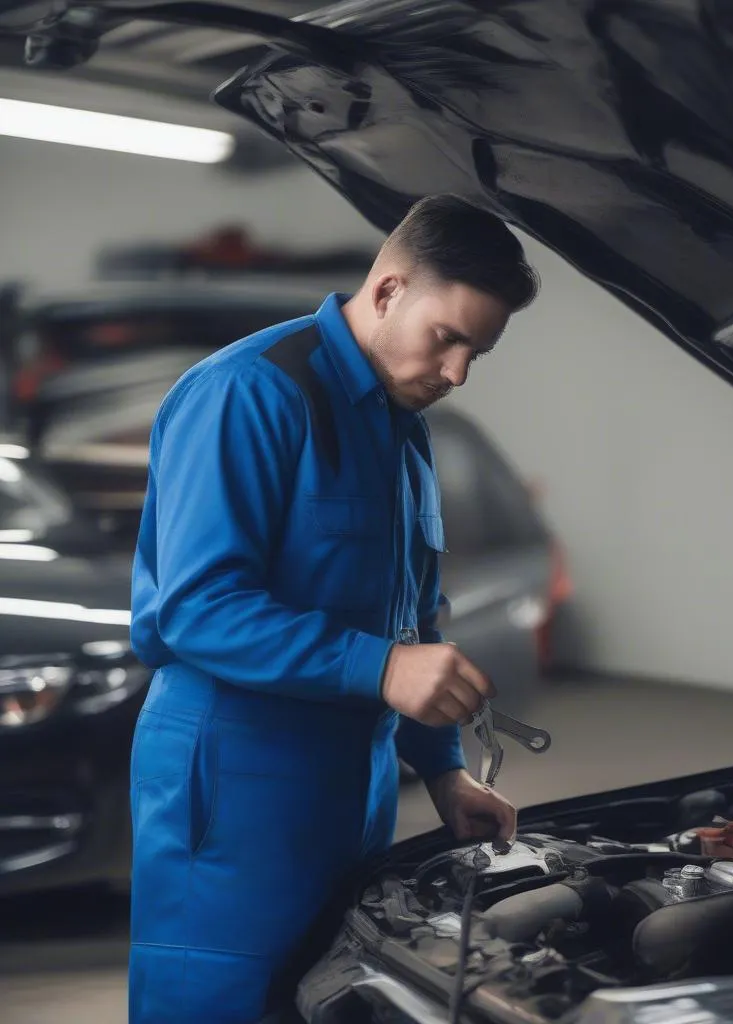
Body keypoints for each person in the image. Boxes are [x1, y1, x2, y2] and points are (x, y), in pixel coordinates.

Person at [127, 194, 539, 1023]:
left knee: (328, 1002)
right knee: (220, 1004)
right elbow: (198, 608)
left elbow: (412, 620)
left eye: (477, 354)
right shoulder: (248, 393)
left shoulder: (402, 432)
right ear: (387, 290)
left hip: (354, 790)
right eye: (448, 338)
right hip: (234, 790)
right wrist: (381, 667)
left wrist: (444, 767)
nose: (457, 373)